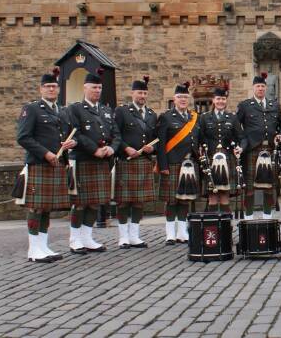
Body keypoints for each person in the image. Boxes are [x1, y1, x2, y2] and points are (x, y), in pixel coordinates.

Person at [16, 67, 76, 262]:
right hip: (39, 164)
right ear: (41, 89)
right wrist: (46, 153)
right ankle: (33, 249)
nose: (51, 89)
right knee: (36, 208)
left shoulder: (62, 111)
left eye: (54, 86)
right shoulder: (31, 109)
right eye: (48, 86)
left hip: (57, 164)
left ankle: (43, 246)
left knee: (47, 208)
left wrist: (72, 143)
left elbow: (68, 134)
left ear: (58, 89)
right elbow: (23, 137)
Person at [65, 68, 121, 254]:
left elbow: (116, 134)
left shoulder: (106, 110)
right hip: (83, 160)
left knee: (94, 202)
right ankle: (75, 239)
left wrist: (112, 148)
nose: (97, 91)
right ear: (85, 88)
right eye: (93, 87)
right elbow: (76, 134)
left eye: (99, 88)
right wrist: (94, 149)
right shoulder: (75, 109)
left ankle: (87, 237)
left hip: (102, 161)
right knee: (80, 203)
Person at [113, 75, 157, 249]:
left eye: (145, 93)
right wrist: (125, 148)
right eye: (139, 93)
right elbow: (115, 134)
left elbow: (156, 139)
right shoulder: (122, 111)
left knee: (139, 201)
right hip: (127, 161)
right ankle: (123, 236)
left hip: (144, 161)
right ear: (132, 93)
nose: (142, 96)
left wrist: (152, 148)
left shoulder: (152, 115)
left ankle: (134, 235)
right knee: (124, 201)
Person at [237, 72, 281, 220]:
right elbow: (236, 127)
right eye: (258, 86)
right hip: (252, 150)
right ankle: (248, 218)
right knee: (250, 187)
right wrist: (242, 142)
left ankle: (267, 218)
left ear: (266, 88)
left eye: (262, 86)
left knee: (268, 187)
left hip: (270, 149)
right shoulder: (245, 106)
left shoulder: (274, 105)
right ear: (253, 88)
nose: (260, 89)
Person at [157, 82, 200, 245]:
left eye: (185, 97)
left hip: (190, 163)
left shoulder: (194, 117)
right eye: (180, 97)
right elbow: (161, 144)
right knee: (171, 200)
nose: (183, 100)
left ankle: (182, 232)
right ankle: (170, 233)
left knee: (184, 199)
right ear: (174, 99)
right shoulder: (166, 117)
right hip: (173, 163)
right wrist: (163, 166)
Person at [199, 85, 243, 213]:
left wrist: (240, 147)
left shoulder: (232, 117)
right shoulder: (204, 117)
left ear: (226, 100)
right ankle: (213, 223)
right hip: (210, 158)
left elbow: (241, 137)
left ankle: (225, 223)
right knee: (212, 195)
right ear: (213, 100)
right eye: (218, 99)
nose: (220, 101)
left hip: (228, 157)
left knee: (225, 194)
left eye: (223, 99)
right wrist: (200, 150)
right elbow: (200, 137)